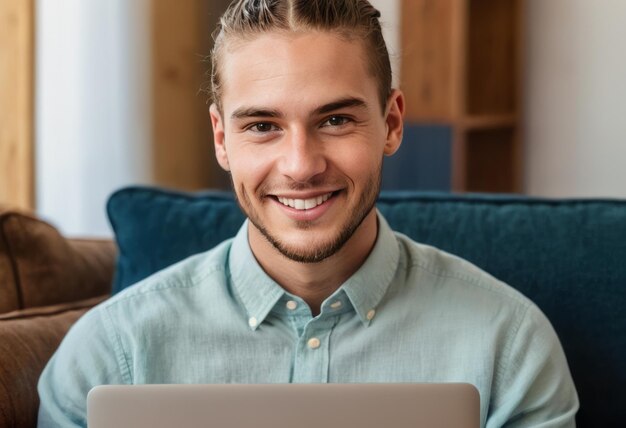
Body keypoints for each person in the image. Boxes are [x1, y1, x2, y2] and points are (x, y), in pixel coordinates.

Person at [37, 0, 579, 427]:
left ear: (391, 123)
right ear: (222, 140)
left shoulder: (509, 346)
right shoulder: (107, 356)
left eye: (336, 120)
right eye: (262, 126)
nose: (300, 166)